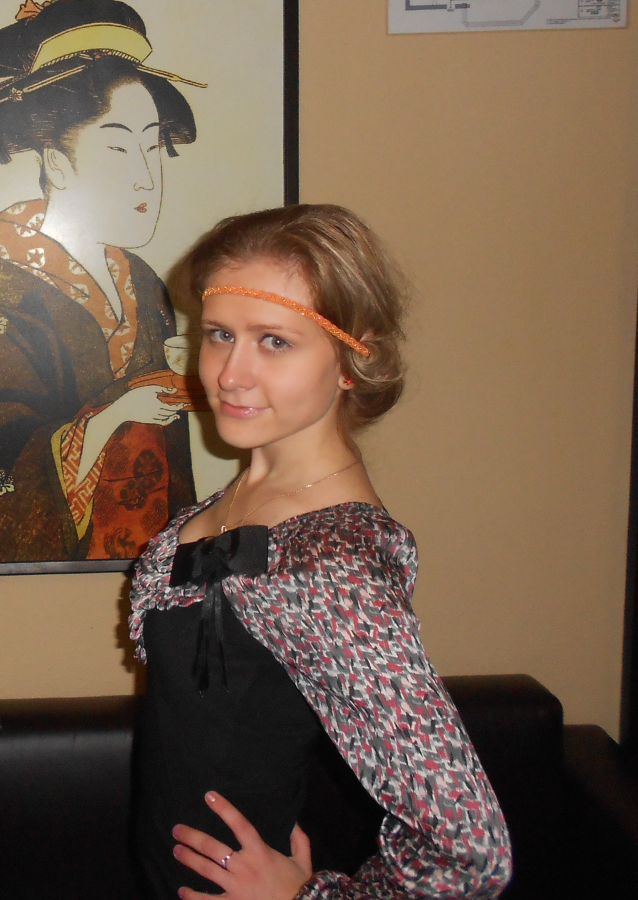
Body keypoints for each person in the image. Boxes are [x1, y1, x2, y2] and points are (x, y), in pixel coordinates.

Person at [129, 204, 512, 899]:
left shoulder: (333, 563)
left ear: (352, 360)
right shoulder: (241, 500)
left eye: (274, 341)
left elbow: (468, 851)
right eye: (220, 335)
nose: (230, 374)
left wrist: (308, 898)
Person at [0, 0, 203, 561]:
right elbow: (7, 444)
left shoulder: (144, 282)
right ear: (57, 164)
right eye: (117, 147)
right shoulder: (7, 285)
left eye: (152, 145)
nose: (147, 178)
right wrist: (115, 414)